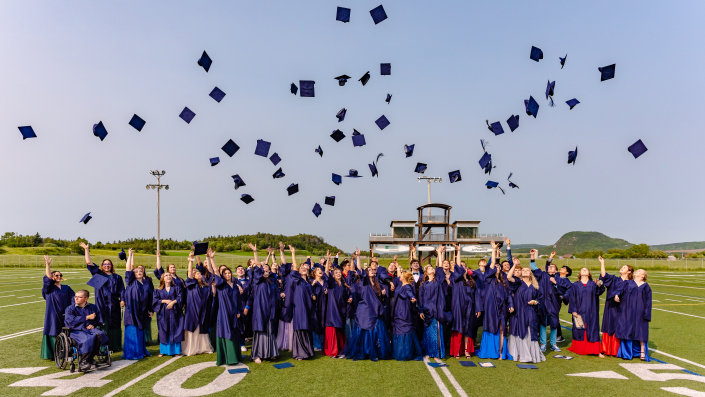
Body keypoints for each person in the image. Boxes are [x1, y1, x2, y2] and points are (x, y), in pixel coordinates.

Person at [343, 248, 392, 361]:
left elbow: (378, 299)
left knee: (376, 330)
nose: (371, 270)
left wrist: (383, 294)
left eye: (372, 270)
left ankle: (376, 351)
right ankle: (365, 351)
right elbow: (359, 269)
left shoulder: (377, 284)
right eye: (368, 269)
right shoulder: (364, 282)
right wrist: (358, 257)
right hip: (364, 310)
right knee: (365, 330)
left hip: (375, 311)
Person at [80, 242, 125, 353]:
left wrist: (123, 299)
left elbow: (122, 290)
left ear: (111, 266)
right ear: (102, 266)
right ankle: (102, 346)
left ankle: (115, 345)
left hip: (114, 304)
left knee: (115, 324)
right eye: (105, 264)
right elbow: (89, 262)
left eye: (109, 264)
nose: (107, 265)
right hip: (101, 303)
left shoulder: (117, 277)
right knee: (102, 323)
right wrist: (86, 249)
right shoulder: (98, 274)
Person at [477, 240, 514, 360]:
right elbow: (493, 262)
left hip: (502, 308)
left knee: (502, 328)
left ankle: (500, 352)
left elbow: (508, 295)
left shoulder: (504, 282)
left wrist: (511, 305)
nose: (497, 267)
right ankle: (489, 351)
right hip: (491, 308)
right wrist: (493, 250)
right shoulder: (488, 278)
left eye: (499, 267)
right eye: (496, 267)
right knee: (490, 328)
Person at [246, 244, 282, 364]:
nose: (265, 269)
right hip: (260, 310)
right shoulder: (257, 280)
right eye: (263, 268)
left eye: (267, 268)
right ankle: (257, 354)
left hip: (270, 310)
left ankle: (270, 352)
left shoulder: (272, 281)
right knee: (260, 330)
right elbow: (257, 266)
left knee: (270, 330)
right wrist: (255, 253)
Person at [506, 261, 545, 363]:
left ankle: (531, 355)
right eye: (523, 270)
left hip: (531, 312)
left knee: (530, 331)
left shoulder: (536, 286)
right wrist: (514, 265)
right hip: (519, 312)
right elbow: (509, 277)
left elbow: (540, 299)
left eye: (527, 270)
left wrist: (535, 301)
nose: (525, 271)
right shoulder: (518, 283)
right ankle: (520, 354)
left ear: (531, 273)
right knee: (520, 331)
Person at [447, 245, 480, 359]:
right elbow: (457, 266)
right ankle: (457, 351)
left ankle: (467, 350)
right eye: (460, 267)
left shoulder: (472, 282)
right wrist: (458, 251)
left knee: (468, 329)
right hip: (458, 307)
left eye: (464, 267)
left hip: (470, 308)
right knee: (459, 328)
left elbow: (476, 296)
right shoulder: (455, 279)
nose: (462, 268)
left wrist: (478, 309)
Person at [418, 245, 451, 359]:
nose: (432, 269)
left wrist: (440, 253)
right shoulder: (423, 285)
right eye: (429, 268)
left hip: (437, 311)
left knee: (436, 333)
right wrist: (420, 311)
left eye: (432, 268)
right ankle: (428, 352)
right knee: (427, 333)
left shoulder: (439, 281)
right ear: (426, 272)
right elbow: (420, 299)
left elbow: (441, 268)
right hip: (426, 312)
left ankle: (437, 353)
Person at [64, 290, 109, 371]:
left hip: (90, 329)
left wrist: (93, 325)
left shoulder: (93, 307)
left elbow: (98, 319)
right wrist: (86, 318)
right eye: (75, 296)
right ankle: (84, 362)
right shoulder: (70, 309)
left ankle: (90, 358)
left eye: (79, 297)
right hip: (76, 330)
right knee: (87, 339)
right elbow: (70, 321)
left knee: (100, 334)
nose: (76, 298)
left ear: (86, 299)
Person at [565, 268, 605, 357]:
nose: (584, 270)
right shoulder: (575, 285)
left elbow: (600, 292)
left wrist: (600, 285)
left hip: (592, 310)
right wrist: (573, 310)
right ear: (579, 273)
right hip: (579, 310)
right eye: (582, 269)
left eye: (586, 270)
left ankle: (596, 350)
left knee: (593, 329)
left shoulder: (593, 284)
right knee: (579, 329)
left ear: (589, 273)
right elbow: (572, 298)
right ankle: (580, 348)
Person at [41, 255, 75, 360]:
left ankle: (66, 350)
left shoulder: (66, 288)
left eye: (60, 275)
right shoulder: (49, 288)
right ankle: (54, 353)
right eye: (56, 275)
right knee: (53, 330)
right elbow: (47, 279)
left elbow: (74, 299)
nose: (59, 277)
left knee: (67, 330)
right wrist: (48, 265)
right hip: (53, 313)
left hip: (66, 313)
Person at [285, 245, 316, 360]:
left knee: (307, 328)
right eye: (301, 267)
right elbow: (294, 269)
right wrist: (293, 253)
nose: (303, 268)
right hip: (298, 308)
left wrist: (313, 295)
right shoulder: (297, 280)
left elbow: (310, 294)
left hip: (307, 309)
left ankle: (308, 352)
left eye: (305, 267)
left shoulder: (308, 283)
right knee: (299, 329)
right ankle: (299, 353)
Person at [599, 255, 633, 357]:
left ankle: (618, 350)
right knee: (609, 324)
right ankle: (607, 349)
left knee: (621, 326)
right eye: (622, 267)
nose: (621, 268)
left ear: (629, 272)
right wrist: (602, 263)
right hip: (611, 306)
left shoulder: (631, 283)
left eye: (624, 267)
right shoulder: (614, 279)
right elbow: (604, 276)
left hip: (624, 308)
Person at [122, 248, 152, 360]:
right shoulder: (130, 281)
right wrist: (130, 256)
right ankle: (132, 352)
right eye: (136, 272)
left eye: (140, 271)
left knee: (140, 332)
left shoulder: (146, 284)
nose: (139, 273)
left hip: (142, 311)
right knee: (132, 330)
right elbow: (128, 268)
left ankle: (141, 350)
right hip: (132, 311)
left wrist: (150, 310)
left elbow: (149, 298)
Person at [616, 269, 652, 361]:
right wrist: (617, 295)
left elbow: (648, 301)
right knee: (628, 330)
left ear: (643, 276)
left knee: (641, 332)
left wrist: (647, 314)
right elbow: (620, 290)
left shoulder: (646, 286)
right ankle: (627, 353)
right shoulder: (627, 283)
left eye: (640, 271)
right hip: (628, 310)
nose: (637, 271)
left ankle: (642, 351)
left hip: (640, 311)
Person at [531, 250, 562, 352]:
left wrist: (556, 284)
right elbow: (534, 268)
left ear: (556, 271)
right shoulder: (543, 275)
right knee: (543, 324)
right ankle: (543, 343)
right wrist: (532, 256)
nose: (550, 267)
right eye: (549, 266)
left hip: (554, 304)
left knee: (554, 324)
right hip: (543, 303)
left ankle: (553, 343)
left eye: (553, 267)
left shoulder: (559, 279)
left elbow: (562, 291)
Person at [183, 251, 213, 356]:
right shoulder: (191, 284)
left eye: (199, 273)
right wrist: (191, 260)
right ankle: (192, 349)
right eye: (196, 274)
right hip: (192, 310)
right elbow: (190, 272)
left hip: (204, 310)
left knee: (202, 329)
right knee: (194, 328)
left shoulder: (206, 285)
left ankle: (204, 347)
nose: (198, 274)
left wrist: (209, 258)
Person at [392, 268, 423, 361]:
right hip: (398, 310)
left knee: (404, 330)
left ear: (404, 277)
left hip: (403, 311)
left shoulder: (407, 287)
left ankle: (405, 353)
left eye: (401, 274)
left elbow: (410, 294)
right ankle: (400, 351)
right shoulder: (401, 285)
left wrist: (412, 298)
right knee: (399, 330)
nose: (400, 276)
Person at [324, 261, 350, 358]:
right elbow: (326, 271)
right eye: (336, 273)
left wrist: (350, 298)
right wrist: (328, 259)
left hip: (341, 311)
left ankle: (340, 351)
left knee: (340, 331)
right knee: (333, 330)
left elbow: (347, 296)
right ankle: (333, 351)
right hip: (332, 311)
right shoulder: (331, 283)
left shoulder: (344, 286)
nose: (338, 274)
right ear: (333, 275)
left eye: (339, 273)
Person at [310, 253, 329, 351]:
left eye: (320, 270)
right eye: (318, 270)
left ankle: (323, 343)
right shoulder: (313, 282)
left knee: (323, 324)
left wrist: (327, 292)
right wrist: (312, 291)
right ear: (314, 273)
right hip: (316, 307)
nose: (320, 271)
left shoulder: (325, 282)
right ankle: (316, 344)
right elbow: (309, 293)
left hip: (325, 306)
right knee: (316, 324)